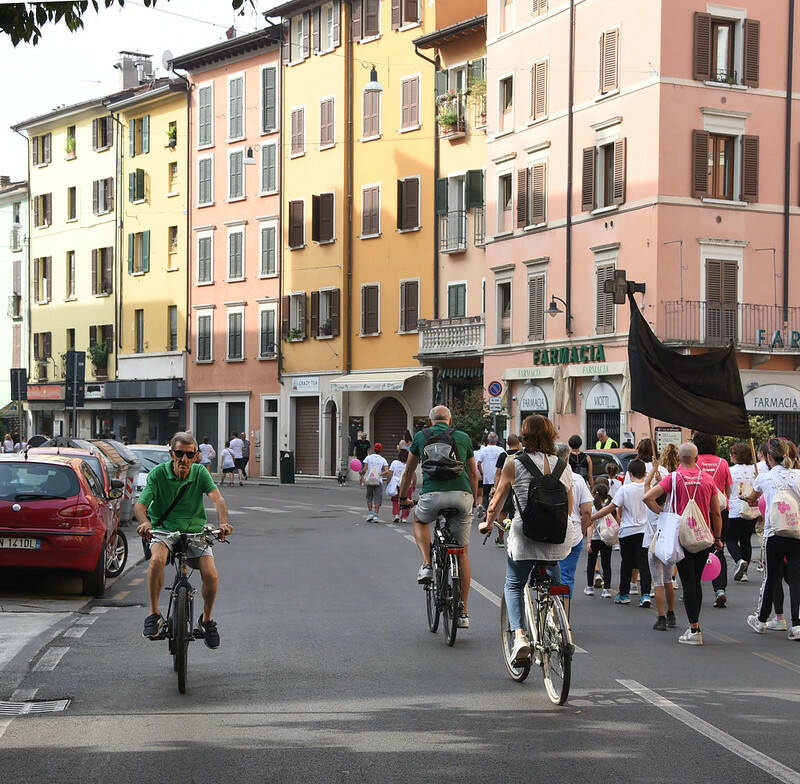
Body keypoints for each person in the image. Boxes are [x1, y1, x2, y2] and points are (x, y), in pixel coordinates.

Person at [479, 415, 573, 661]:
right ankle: (555, 620)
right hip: (556, 538)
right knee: (553, 579)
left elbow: (496, 502)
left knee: (514, 584)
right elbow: (569, 509)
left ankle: (520, 636)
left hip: (525, 536)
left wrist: (488, 524)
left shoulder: (514, 464)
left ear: (524, 436)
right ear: (551, 435)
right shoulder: (564, 467)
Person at [135, 432, 232, 648]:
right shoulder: (158, 474)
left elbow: (218, 500)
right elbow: (140, 506)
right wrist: (145, 523)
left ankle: (206, 620)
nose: (184, 459)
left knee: (211, 575)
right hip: (164, 530)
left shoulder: (200, 473)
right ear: (171, 453)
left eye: (189, 455)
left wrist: (223, 523)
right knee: (157, 560)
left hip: (195, 530)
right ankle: (153, 614)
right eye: (179, 453)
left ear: (196, 456)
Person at [398, 406, 479, 629]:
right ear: (450, 420)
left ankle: (426, 564)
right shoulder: (462, 437)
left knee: (419, 520)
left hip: (431, 496)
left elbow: (408, 472)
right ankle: (462, 611)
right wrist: (473, 498)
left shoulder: (421, 437)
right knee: (462, 552)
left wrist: (404, 497)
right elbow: (473, 473)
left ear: (430, 421)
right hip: (461, 496)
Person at [644, 442, 722, 645]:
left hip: (681, 537)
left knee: (688, 582)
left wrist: (662, 513)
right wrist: (718, 537)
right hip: (703, 537)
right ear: (696, 459)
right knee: (696, 581)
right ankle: (695, 626)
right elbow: (716, 512)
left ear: (679, 458)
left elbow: (647, 497)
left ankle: (694, 629)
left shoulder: (673, 478)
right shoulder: (707, 479)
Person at [744, 438, 800, 641]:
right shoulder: (798, 476)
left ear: (769, 456)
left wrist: (749, 497)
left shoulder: (764, 478)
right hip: (797, 532)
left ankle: (761, 620)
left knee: (772, 577)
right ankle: (797, 624)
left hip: (773, 533)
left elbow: (751, 498)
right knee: (796, 578)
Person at [592, 459, 652, 608]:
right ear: (645, 473)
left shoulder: (625, 489)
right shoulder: (648, 488)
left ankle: (623, 594)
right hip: (644, 531)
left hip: (627, 531)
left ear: (629, 474)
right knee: (644, 563)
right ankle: (645, 594)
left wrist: (592, 517)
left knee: (626, 563)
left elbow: (611, 507)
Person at [693, 432, 732, 608]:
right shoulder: (723, 463)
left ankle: (692, 587)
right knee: (719, 548)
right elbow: (727, 489)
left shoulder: (693, 462)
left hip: (699, 510)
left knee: (695, 551)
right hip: (720, 511)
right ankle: (720, 590)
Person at [556, 442, 592, 613]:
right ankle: (563, 616)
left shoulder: (544, 476)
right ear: (568, 457)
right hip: (573, 534)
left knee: (547, 574)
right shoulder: (577, 479)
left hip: (545, 533)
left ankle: (549, 610)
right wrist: (583, 531)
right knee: (567, 576)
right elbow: (586, 511)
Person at [644, 459, 677, 631]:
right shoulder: (670, 507)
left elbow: (646, 487)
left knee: (657, 582)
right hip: (667, 546)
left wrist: (654, 470)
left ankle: (661, 616)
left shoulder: (652, 507)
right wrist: (662, 476)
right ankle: (672, 614)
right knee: (668, 580)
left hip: (654, 546)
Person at [727, 441, 758, 583]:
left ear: (736, 455)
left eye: (732, 454)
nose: (730, 456)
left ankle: (739, 560)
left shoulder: (731, 470)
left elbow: (727, 489)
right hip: (751, 508)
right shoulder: (754, 470)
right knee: (746, 540)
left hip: (735, 508)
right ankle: (744, 573)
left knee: (731, 539)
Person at [491, 434, 522, 548]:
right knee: (516, 515)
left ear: (507, 443)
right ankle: (515, 539)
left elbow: (498, 473)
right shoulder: (521, 455)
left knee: (502, 514)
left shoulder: (502, 455)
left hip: (504, 488)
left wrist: (495, 488)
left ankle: (500, 538)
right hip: (517, 488)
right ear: (518, 442)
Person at [585, 479, 614, 598]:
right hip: (607, 539)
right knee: (607, 564)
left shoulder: (593, 508)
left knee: (591, 563)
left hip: (596, 539)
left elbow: (590, 526)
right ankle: (607, 589)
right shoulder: (610, 506)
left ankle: (589, 587)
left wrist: (588, 542)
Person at [360, 443, 389, 523]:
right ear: (381, 450)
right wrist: (380, 474)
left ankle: (370, 514)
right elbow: (387, 470)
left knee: (369, 497)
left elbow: (365, 469)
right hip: (378, 481)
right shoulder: (383, 459)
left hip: (370, 480)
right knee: (378, 498)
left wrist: (361, 473)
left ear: (374, 449)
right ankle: (376, 516)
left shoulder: (368, 458)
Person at [477, 433, 505, 511]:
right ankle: (495, 510)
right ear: (497, 440)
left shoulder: (483, 450)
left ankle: (486, 510)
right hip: (498, 477)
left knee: (485, 494)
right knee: (497, 495)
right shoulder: (501, 450)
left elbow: (478, 464)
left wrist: (482, 473)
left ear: (488, 440)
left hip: (486, 476)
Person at [387, 449, 411, 523]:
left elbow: (390, 473)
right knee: (406, 500)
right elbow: (413, 475)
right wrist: (413, 484)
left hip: (396, 484)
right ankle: (404, 517)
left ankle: (396, 514)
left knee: (395, 499)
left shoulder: (394, 463)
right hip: (407, 484)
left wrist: (389, 482)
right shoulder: (409, 464)